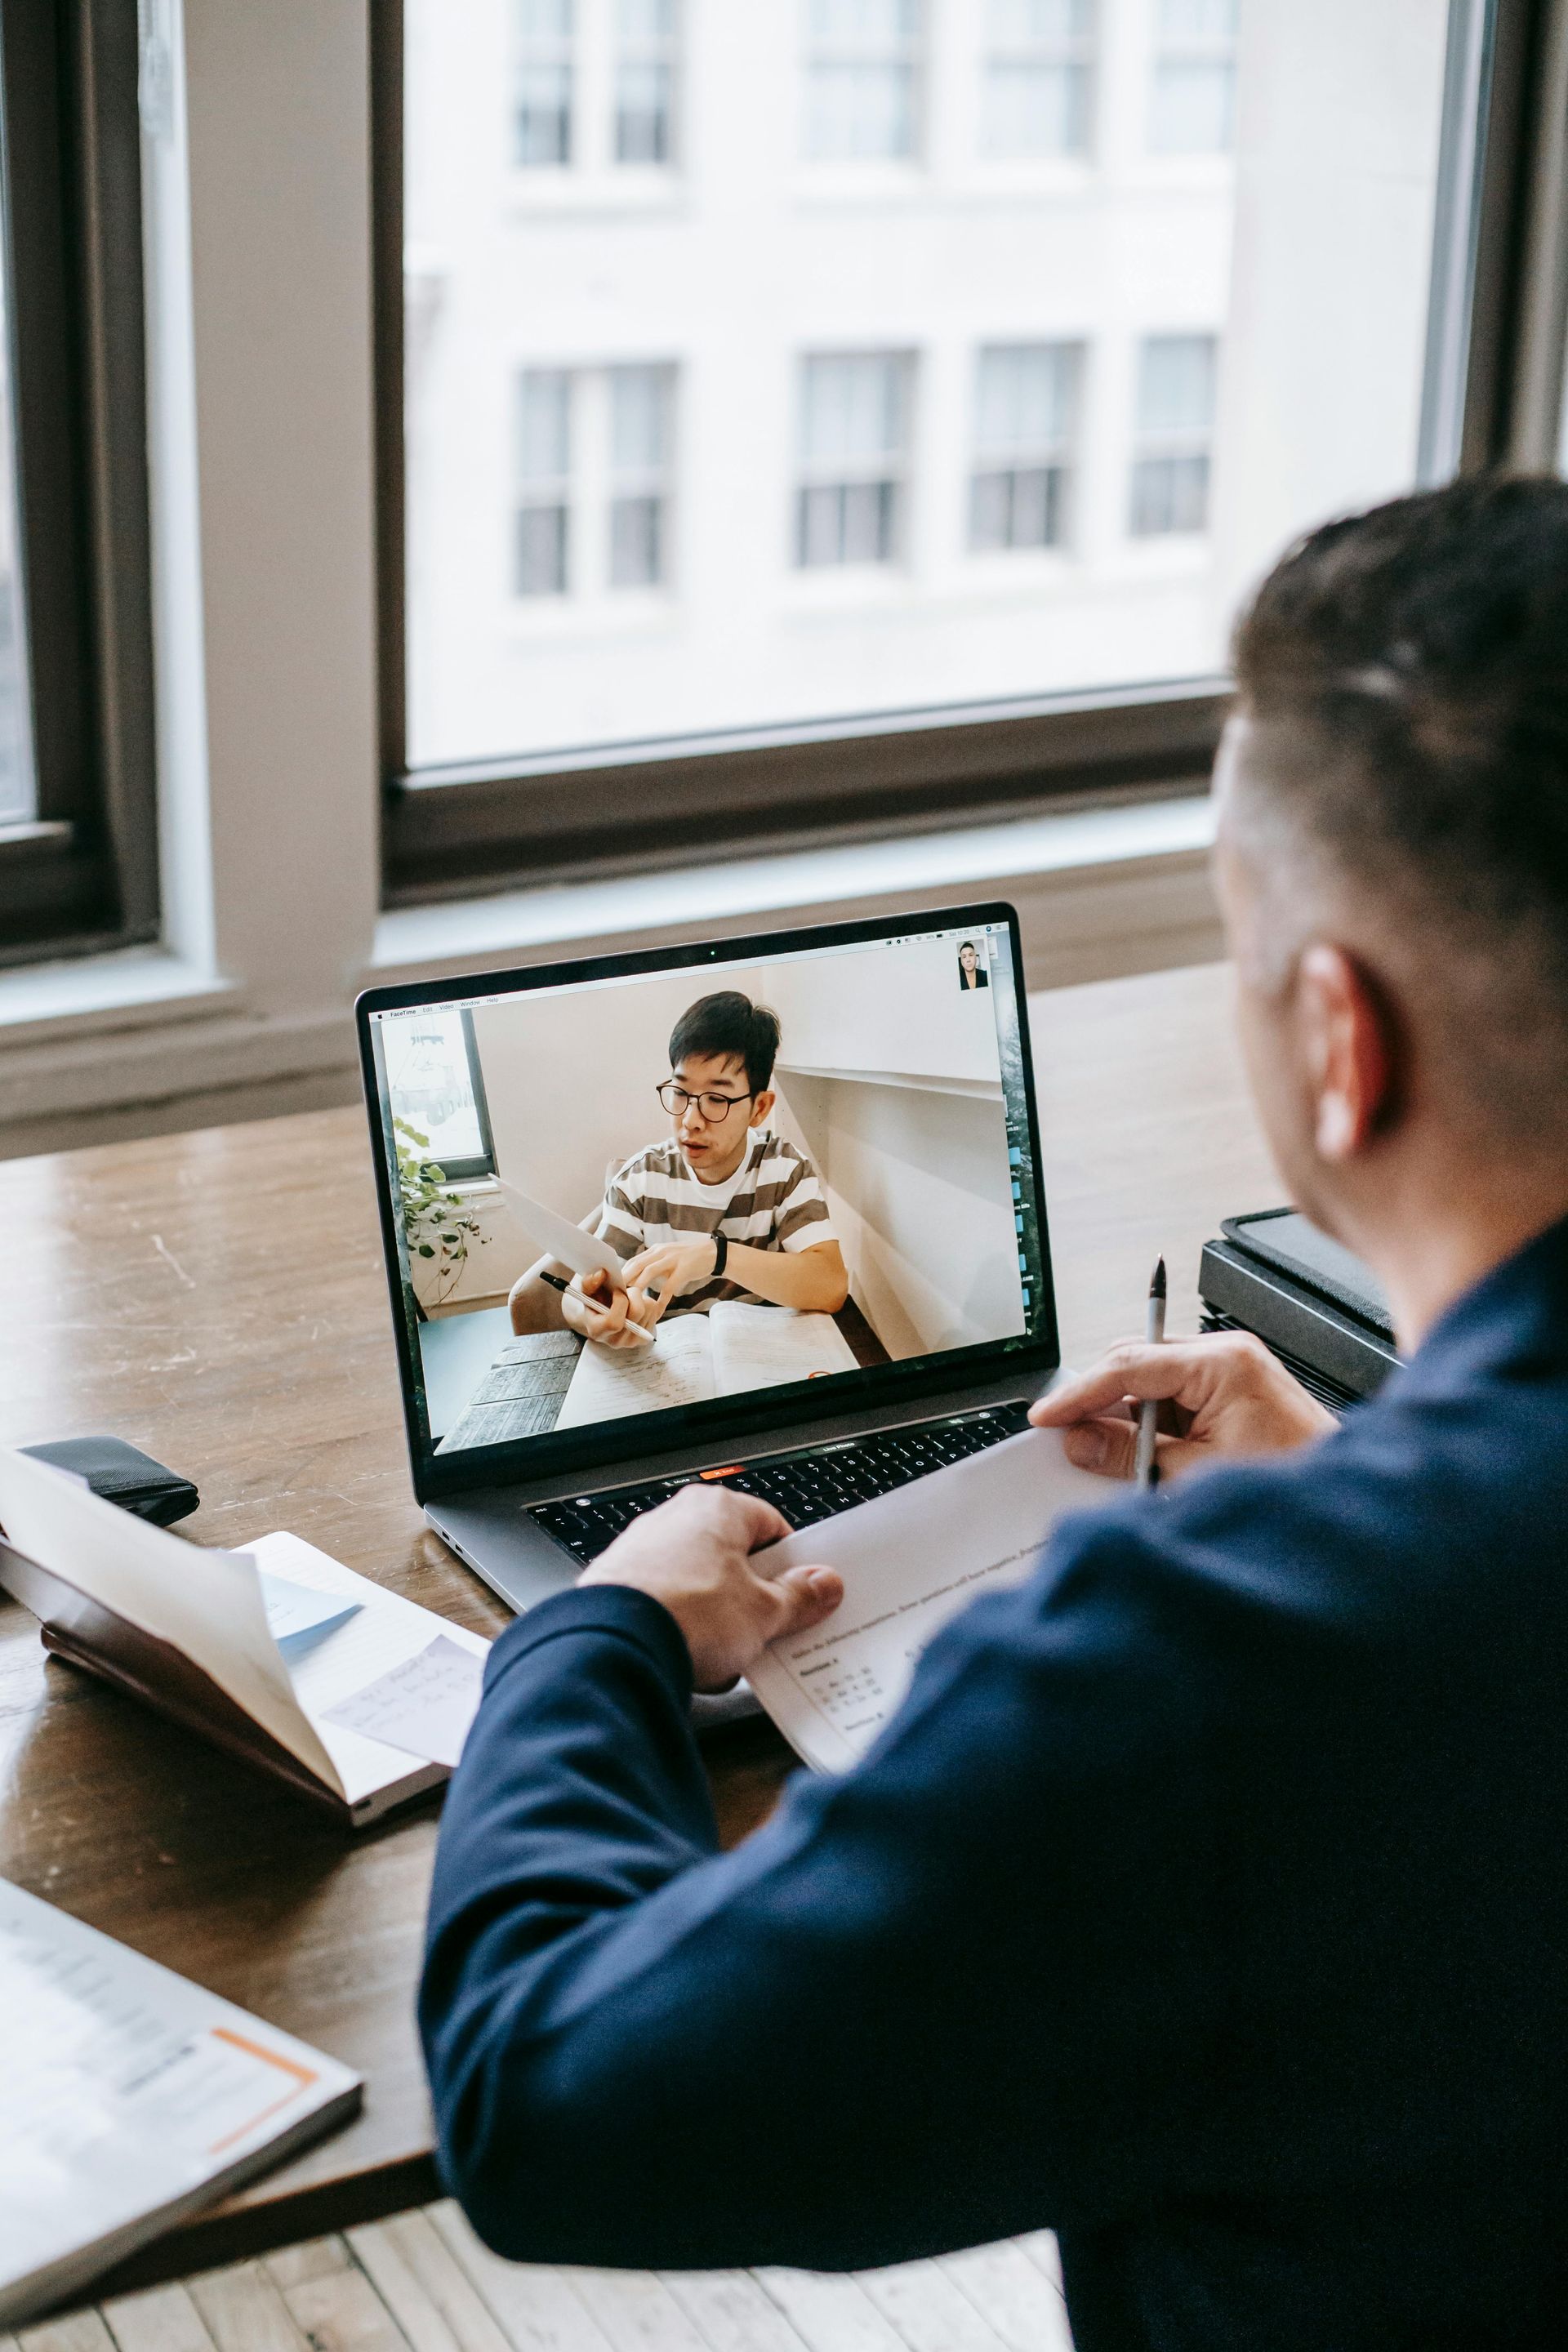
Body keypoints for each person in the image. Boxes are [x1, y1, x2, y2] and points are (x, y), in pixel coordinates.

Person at [422, 477, 1568, 2351]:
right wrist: (1377, 1477)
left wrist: (593, 1630)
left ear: (1336, 1041)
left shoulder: (1210, 1665)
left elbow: (545, 2095)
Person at [508, 989, 849, 1348]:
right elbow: (583, 1288)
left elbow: (831, 1285)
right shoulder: (641, 1180)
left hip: (764, 1359)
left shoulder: (784, 1169)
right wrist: (595, 1315)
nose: (690, 1120)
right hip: (667, 1360)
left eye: (716, 1099)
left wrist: (718, 1257)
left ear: (760, 1108)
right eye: (680, 1092)